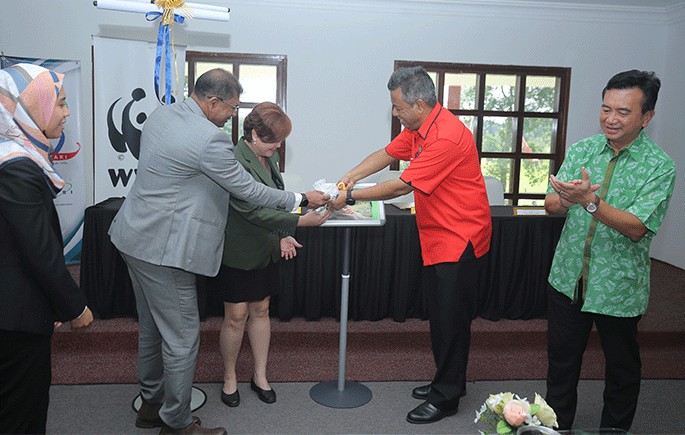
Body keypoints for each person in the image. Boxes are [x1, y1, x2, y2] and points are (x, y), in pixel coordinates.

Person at [108, 69, 329, 435]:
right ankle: (177, 424)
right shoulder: (210, 139)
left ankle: (151, 404)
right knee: (182, 340)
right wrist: (301, 199)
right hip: (166, 249)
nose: (232, 115)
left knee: (152, 329)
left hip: (133, 235)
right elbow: (249, 191)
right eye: (231, 107)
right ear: (212, 102)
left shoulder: (163, 114)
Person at [331, 66, 491, 424]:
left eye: (398, 107)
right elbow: (388, 154)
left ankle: (446, 397)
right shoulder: (420, 127)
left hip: (460, 238)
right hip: (437, 235)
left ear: (419, 105)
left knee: (450, 320)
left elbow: (403, 185)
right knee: (441, 316)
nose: (394, 113)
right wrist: (350, 176)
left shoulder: (446, 136)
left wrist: (351, 197)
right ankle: (448, 381)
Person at [544, 69, 676, 431]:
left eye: (623, 111)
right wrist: (566, 199)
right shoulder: (583, 149)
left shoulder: (660, 166)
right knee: (561, 365)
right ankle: (555, 427)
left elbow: (636, 227)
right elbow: (551, 204)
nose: (611, 119)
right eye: (606, 109)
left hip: (617, 286)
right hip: (568, 278)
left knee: (621, 371)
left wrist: (588, 201)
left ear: (646, 117)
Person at [208, 102, 331, 408]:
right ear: (253, 134)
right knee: (236, 317)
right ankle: (229, 377)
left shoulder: (269, 157)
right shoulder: (234, 160)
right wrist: (299, 222)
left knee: (261, 310)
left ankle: (260, 376)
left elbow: (273, 201)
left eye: (281, 141)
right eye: (273, 140)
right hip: (238, 250)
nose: (278, 147)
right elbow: (252, 210)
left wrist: (283, 234)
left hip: (265, 247)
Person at [0, 63, 94, 434]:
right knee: (22, 413)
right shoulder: (17, 167)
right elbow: (38, 249)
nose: (67, 113)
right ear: (31, 107)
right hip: (14, 317)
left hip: (18, 305)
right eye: (60, 103)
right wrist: (75, 306)